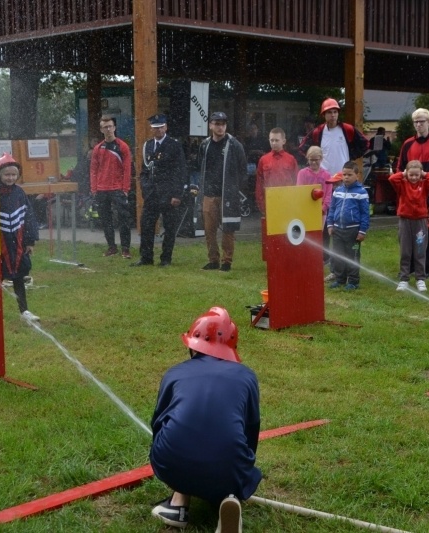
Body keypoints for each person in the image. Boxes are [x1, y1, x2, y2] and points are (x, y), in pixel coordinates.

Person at [150, 307, 261, 533]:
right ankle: (228, 498)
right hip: (228, 465)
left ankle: (178, 503)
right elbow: (251, 430)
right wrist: (242, 470)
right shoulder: (247, 376)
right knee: (229, 461)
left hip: (171, 462)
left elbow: (159, 422)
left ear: (193, 343)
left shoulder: (175, 373)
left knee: (182, 442)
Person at [0, 153, 39, 322]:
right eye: (6, 174)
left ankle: (24, 311)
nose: (10, 178)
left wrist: (30, 241)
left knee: (18, 277)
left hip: (17, 243)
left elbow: (28, 216)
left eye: (13, 175)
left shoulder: (20, 193)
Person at [395, 108, 429, 279]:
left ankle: (425, 269)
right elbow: (400, 169)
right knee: (407, 233)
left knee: (428, 233)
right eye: (416, 121)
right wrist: (402, 191)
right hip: (410, 195)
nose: (419, 124)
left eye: (422, 121)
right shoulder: (408, 144)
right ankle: (407, 268)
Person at [133, 114, 187, 267]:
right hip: (151, 193)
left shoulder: (174, 145)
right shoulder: (148, 145)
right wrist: (145, 188)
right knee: (147, 226)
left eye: (161, 127)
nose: (158, 130)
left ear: (166, 127)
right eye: (155, 128)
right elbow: (144, 171)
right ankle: (146, 257)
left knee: (169, 228)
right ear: (151, 129)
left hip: (169, 193)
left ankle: (166, 259)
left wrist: (177, 194)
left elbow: (180, 170)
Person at [197, 111, 247, 272]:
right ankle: (213, 260)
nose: (220, 127)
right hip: (209, 194)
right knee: (209, 230)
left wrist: (235, 189)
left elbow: (243, 170)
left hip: (228, 194)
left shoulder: (234, 144)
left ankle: (227, 262)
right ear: (210, 125)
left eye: (223, 124)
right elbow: (200, 166)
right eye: (217, 124)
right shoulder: (205, 145)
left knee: (228, 229)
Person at [389, 160, 429, 292]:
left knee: (420, 250)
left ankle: (420, 278)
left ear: (421, 175)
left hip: (420, 222)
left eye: (417, 175)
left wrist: (424, 173)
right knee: (405, 251)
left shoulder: (424, 184)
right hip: (405, 221)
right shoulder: (402, 184)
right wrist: (404, 173)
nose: (414, 177)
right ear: (407, 174)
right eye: (411, 175)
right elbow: (392, 178)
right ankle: (404, 278)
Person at [90, 115, 133, 259]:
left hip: (118, 189)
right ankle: (112, 247)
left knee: (124, 219)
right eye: (105, 127)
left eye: (110, 126)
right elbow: (94, 170)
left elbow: (127, 170)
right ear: (101, 129)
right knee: (105, 220)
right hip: (102, 189)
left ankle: (125, 249)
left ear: (114, 127)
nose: (108, 129)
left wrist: (125, 189)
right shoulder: (97, 148)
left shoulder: (122, 147)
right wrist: (94, 188)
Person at [325, 161, 370, 290]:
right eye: (344, 174)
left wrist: (362, 231)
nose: (346, 177)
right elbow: (332, 209)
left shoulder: (361, 192)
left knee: (352, 256)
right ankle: (340, 279)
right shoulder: (337, 191)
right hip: (338, 229)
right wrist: (330, 225)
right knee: (338, 255)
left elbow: (365, 214)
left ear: (357, 175)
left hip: (353, 231)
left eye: (349, 174)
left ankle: (353, 281)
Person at [299, 98, 369, 175]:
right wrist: (314, 162)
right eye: (329, 112)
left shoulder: (347, 129)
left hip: (342, 176)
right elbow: (303, 147)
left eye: (335, 112)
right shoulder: (318, 132)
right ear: (323, 115)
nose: (333, 115)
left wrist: (351, 156)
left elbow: (365, 143)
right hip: (323, 177)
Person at [296, 146, 333, 264]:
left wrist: (323, 208)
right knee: (308, 233)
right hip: (307, 210)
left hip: (322, 211)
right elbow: (300, 192)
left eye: (316, 159)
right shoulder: (302, 173)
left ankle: (324, 258)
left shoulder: (327, 175)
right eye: (311, 159)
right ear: (307, 159)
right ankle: (308, 256)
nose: (313, 162)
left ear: (321, 159)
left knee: (322, 235)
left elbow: (328, 194)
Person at [254, 127, 298, 214]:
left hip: (288, 202)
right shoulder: (263, 160)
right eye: (272, 140)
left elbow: (297, 182)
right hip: (270, 202)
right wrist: (262, 205)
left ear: (283, 141)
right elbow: (259, 183)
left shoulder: (291, 159)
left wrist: (294, 202)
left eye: (277, 140)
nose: (274, 143)